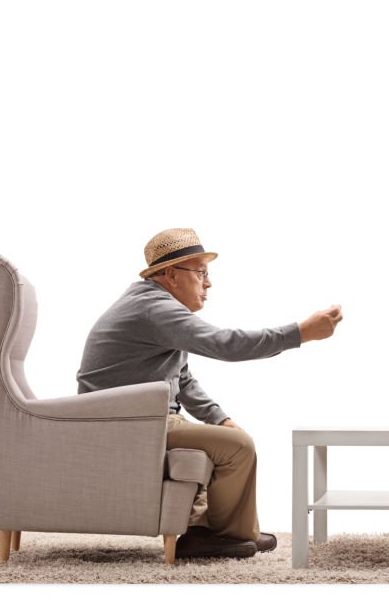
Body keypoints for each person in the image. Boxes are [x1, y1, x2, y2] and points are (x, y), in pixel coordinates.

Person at [77, 228, 343, 558]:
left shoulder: (155, 307)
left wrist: (222, 418)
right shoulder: (155, 309)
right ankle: (226, 534)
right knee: (238, 446)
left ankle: (207, 531)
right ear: (172, 275)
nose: (209, 282)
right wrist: (300, 333)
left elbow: (182, 379)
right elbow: (224, 344)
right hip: (124, 421)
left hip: (139, 417)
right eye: (201, 272)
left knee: (224, 437)